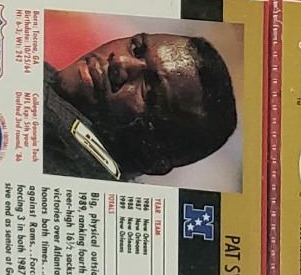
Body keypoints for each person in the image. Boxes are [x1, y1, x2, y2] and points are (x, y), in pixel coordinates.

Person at [43, 29, 238, 183]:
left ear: (151, 157)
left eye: (148, 91)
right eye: (136, 48)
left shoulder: (58, 141)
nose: (120, 62)